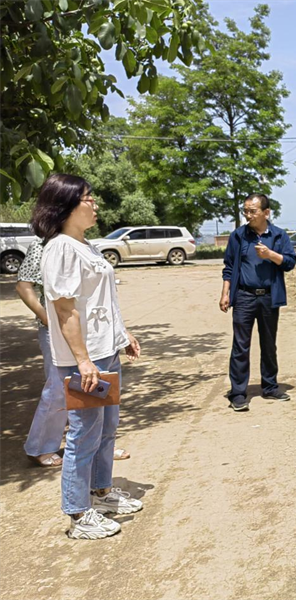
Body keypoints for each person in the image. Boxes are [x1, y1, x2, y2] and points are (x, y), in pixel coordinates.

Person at [34, 174, 142, 540]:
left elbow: (99, 302)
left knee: (106, 429)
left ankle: (101, 492)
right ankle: (79, 514)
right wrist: (82, 360)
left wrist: (121, 333)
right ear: (65, 205)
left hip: (104, 352)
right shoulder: (60, 248)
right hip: (86, 360)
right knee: (83, 435)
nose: (94, 204)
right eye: (88, 199)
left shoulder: (86, 245)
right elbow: (65, 311)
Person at [17, 240, 131, 468]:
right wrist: (46, 318)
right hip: (59, 328)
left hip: (90, 329)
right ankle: (41, 447)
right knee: (59, 387)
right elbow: (23, 286)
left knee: (96, 383)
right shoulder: (44, 245)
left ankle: (101, 446)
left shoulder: (86, 245)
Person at [220, 193, 296, 411]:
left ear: (266, 212)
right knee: (240, 345)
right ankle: (238, 393)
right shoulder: (238, 236)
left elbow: (290, 263)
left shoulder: (279, 236)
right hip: (244, 296)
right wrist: (225, 293)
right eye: (245, 211)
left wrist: (271, 254)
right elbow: (228, 266)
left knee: (268, 343)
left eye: (252, 211)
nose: (248, 215)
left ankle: (270, 386)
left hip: (269, 296)